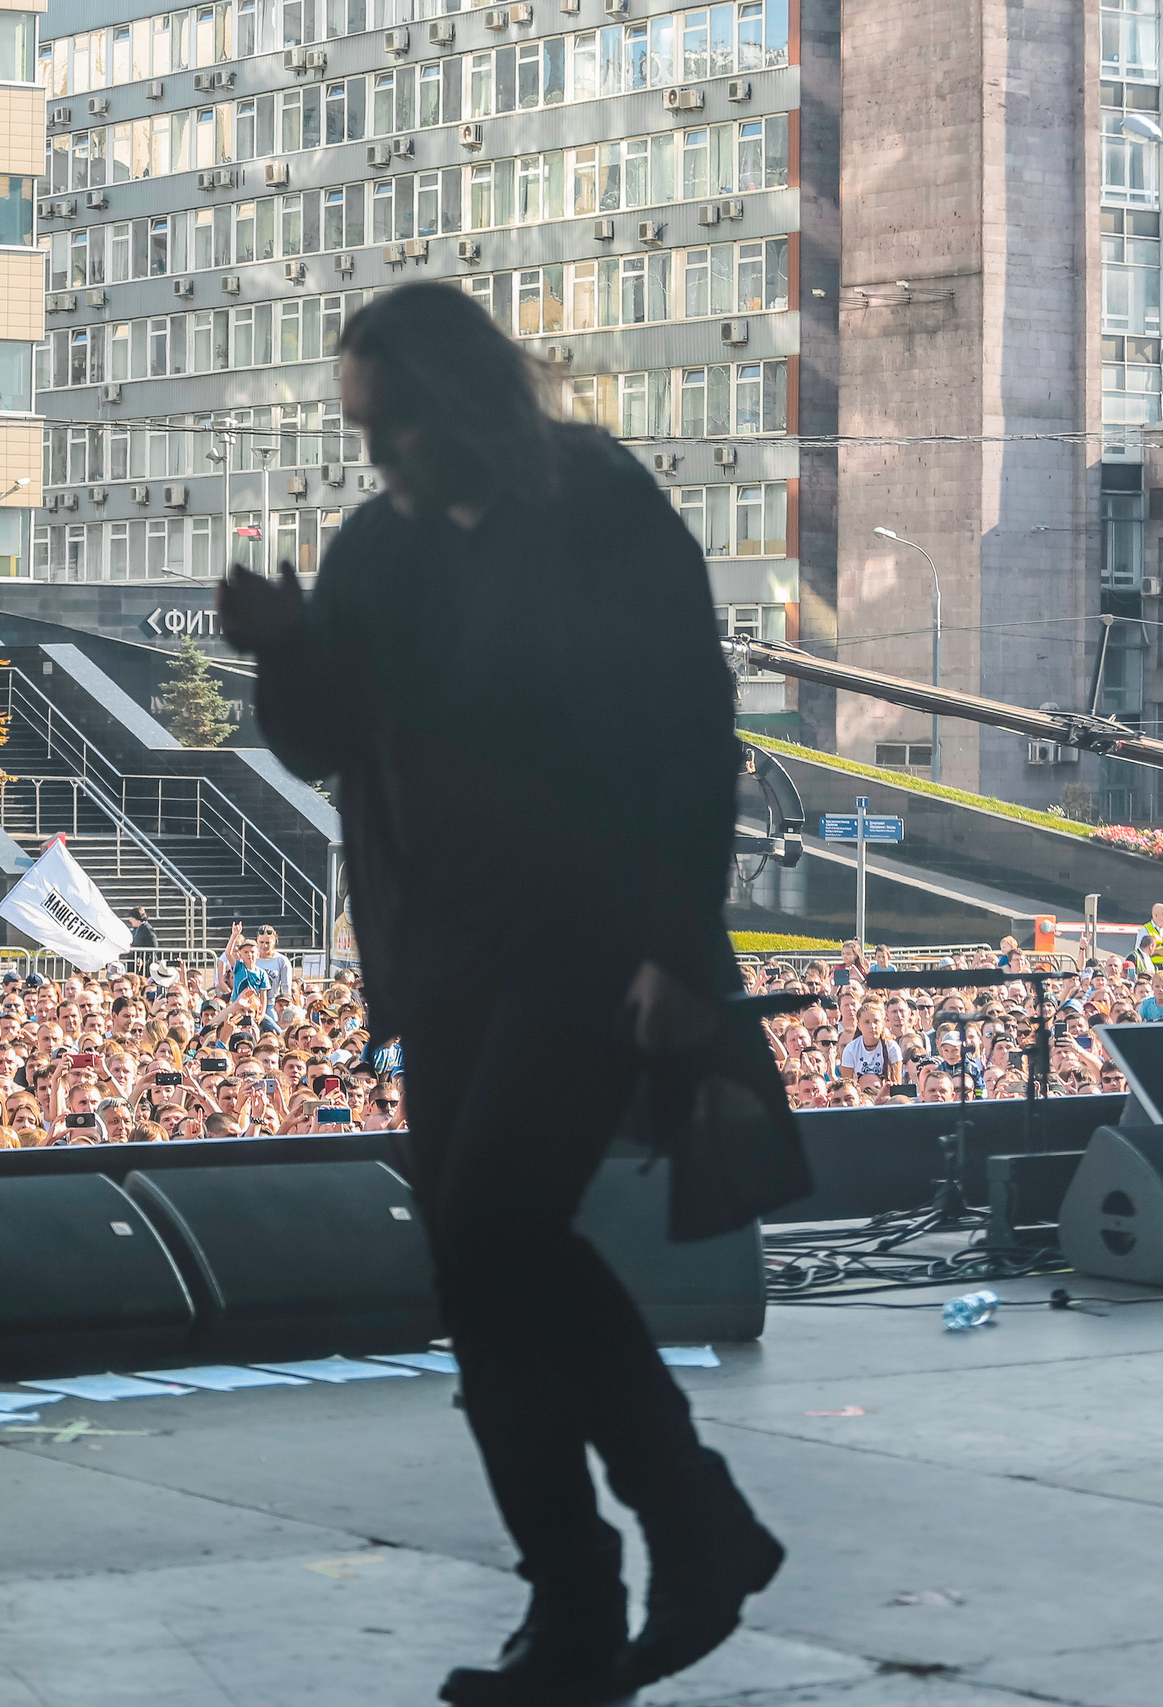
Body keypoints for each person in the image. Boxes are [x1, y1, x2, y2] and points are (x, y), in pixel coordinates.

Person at [222, 281, 781, 1707]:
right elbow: (333, 740)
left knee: (488, 1230)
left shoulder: (596, 503)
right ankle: (583, 1603)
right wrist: (287, 648)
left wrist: (673, 937)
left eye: (392, 425)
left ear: (460, 402)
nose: (378, 459)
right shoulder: (378, 546)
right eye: (362, 434)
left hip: (593, 935)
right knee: (480, 1276)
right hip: (449, 946)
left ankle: (675, 1528)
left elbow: (690, 729)